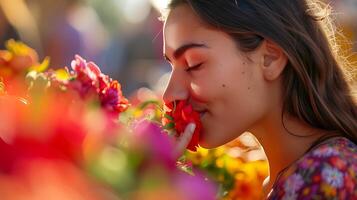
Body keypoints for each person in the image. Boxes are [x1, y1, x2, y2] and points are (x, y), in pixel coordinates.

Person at [162, 0, 357, 199]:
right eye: (171, 66)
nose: (169, 94)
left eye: (194, 64)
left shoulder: (323, 178)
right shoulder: (301, 174)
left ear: (270, 58)